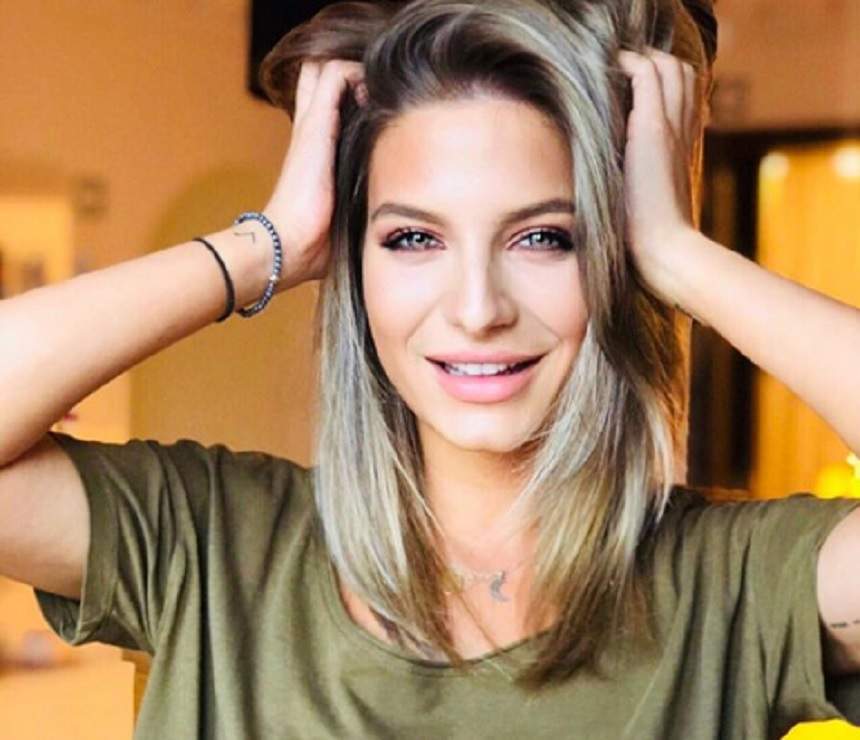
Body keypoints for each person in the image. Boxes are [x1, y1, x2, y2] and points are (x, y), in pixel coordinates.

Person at [0, 0, 858, 737]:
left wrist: (676, 256)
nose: (477, 308)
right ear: (354, 263)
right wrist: (268, 244)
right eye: (413, 238)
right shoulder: (212, 542)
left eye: (545, 237)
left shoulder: (734, 587)